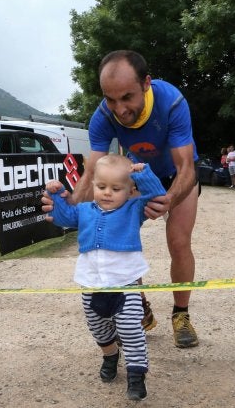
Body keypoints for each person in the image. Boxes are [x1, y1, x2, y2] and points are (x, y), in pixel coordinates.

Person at [42, 50, 200, 348]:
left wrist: (169, 199)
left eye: (127, 97)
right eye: (110, 99)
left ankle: (181, 314)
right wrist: (67, 205)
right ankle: (138, 304)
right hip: (138, 175)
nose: (119, 108)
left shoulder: (172, 102)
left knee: (179, 242)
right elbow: (91, 176)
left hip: (179, 177)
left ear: (146, 84)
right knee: (120, 237)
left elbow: (186, 168)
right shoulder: (102, 117)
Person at [46, 154, 166, 401]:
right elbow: (63, 217)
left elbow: (157, 198)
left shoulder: (134, 209)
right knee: (98, 329)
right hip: (91, 286)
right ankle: (110, 356)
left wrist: (143, 174)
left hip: (126, 287)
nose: (107, 193)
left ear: (130, 190)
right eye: (101, 187)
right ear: (92, 186)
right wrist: (57, 195)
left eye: (116, 188)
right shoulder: (84, 210)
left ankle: (136, 375)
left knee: (131, 330)